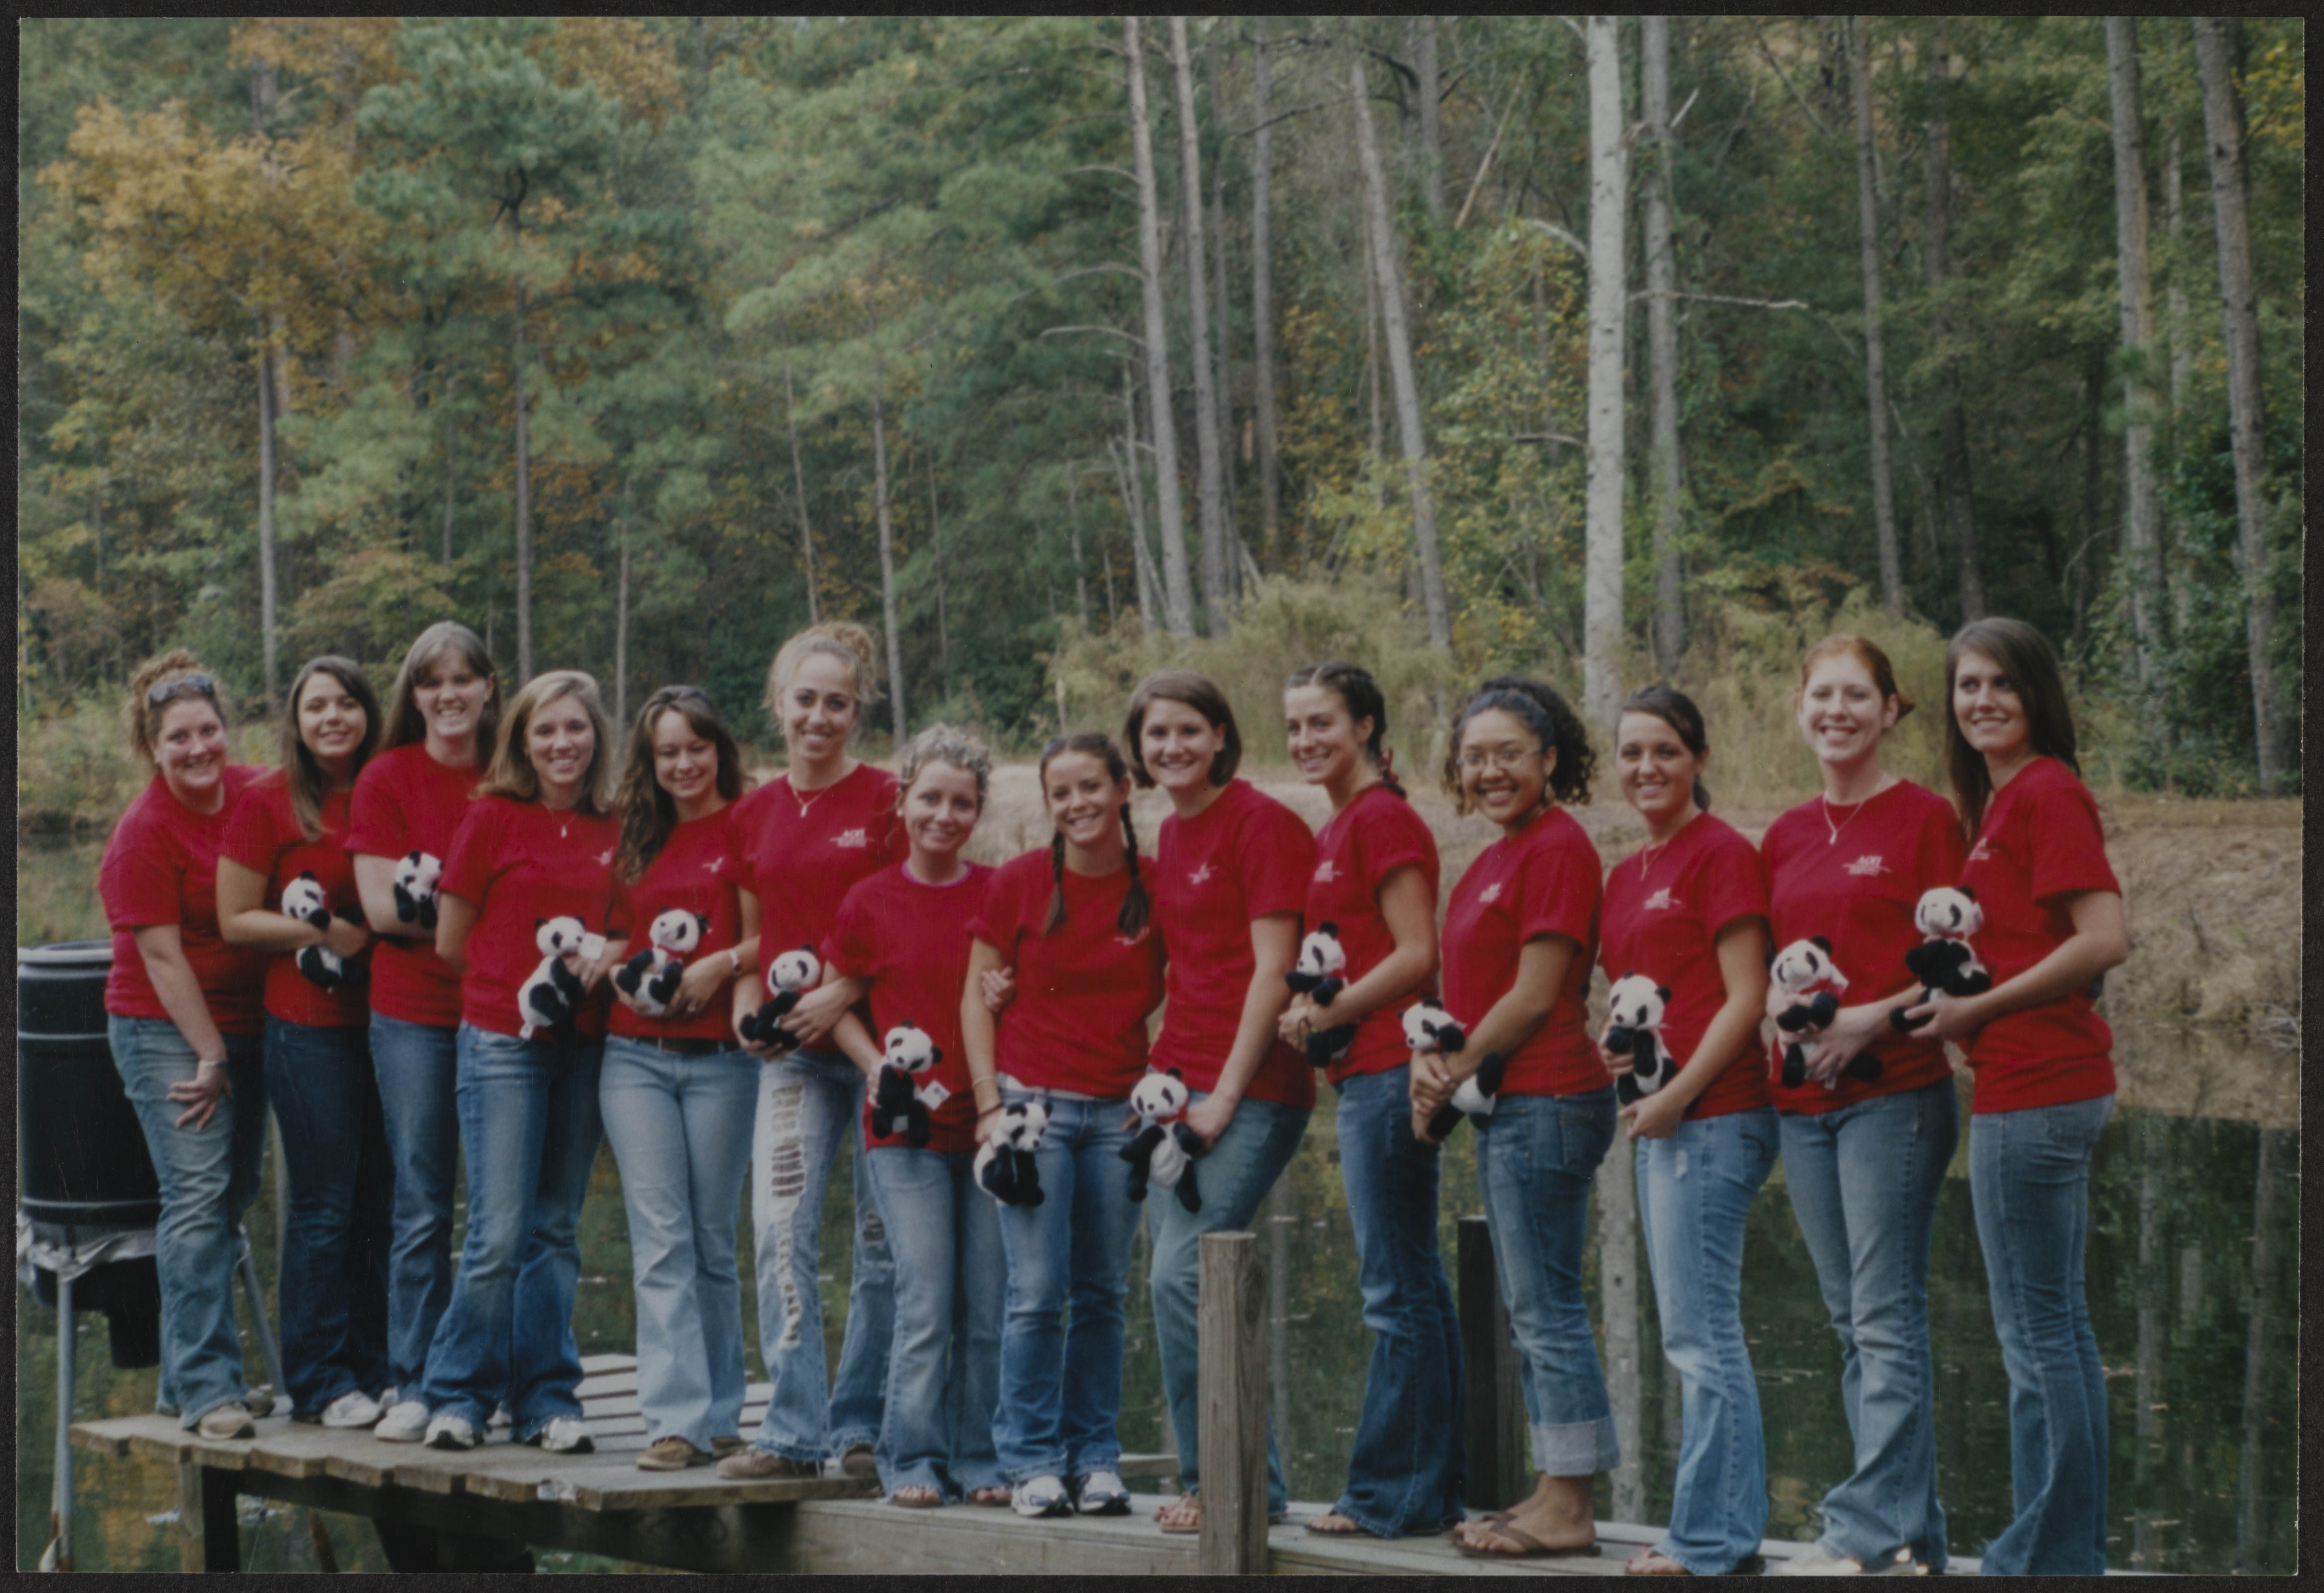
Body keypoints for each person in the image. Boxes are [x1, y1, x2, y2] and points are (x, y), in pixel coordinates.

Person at [1902, 618, 2128, 1577]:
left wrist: (1979, 1011)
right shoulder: (1997, 807)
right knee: (2052, 1331)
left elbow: (2104, 938)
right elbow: (2025, 945)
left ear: (2037, 694)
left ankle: (2045, 1557)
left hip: (2038, 1088)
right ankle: (2059, 1554)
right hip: (2029, 1081)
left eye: (2002, 683)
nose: (1983, 700)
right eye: (1967, 685)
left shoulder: (2046, 792)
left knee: (2039, 1338)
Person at [1760, 637, 1965, 1578]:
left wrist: (1857, 1026)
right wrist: (1786, 1024)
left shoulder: (1927, 821)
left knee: (1884, 1320)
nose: (1836, 711)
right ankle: (1910, 1535)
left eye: (1857, 696)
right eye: (1822, 695)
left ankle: (1865, 1535)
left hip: (1896, 1100)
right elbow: (1773, 969)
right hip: (1803, 1108)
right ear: (1801, 709)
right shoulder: (1787, 834)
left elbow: (1954, 972)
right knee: (1851, 1323)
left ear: (1891, 711)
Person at [1414, 679, 1618, 1561]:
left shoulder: (1559, 849)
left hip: (1550, 1097)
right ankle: (1550, 1489)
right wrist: (1438, 1059)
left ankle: (1569, 1503)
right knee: (1532, 1305)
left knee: (1547, 1310)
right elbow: (1472, 991)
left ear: (1549, 759)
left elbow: (1535, 998)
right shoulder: (1498, 853)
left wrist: (1450, 1071)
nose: (1490, 770)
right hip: (1509, 1102)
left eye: (1508, 753)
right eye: (1474, 757)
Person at [1120, 670, 1314, 1535]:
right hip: (1177, 1085)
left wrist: (1226, 1098)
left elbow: (1274, 970)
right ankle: (1243, 1484)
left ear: (1222, 735)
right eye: (1157, 735)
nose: (1172, 748)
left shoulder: (1262, 825)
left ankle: (1223, 1481)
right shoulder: (1168, 830)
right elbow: (1175, 967)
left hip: (1252, 1088)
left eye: (1188, 731)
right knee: (1177, 1285)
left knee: (1179, 1274)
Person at [418, 670, 627, 1453]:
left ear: (596, 737)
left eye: (575, 729)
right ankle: (459, 1394)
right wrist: (516, 980)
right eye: (545, 731)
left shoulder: (619, 823)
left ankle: (546, 1398)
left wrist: (608, 955)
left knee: (555, 1230)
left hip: (587, 1044)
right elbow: (449, 939)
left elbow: (633, 927)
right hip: (504, 1042)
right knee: (499, 1232)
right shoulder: (493, 819)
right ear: (522, 741)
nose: (561, 744)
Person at [961, 732, 1164, 1519]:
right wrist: (988, 1106)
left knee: (1103, 1292)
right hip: (1031, 1108)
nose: (1077, 804)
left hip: (1119, 1112)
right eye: (1061, 793)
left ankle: (1096, 1457)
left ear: (1122, 788)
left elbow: (1197, 978)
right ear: (1047, 804)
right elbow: (977, 998)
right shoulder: (1017, 884)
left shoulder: (1153, 887)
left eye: (1091, 786)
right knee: (1037, 1293)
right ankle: (1033, 1460)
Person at [1278, 662, 1460, 1541]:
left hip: (1391, 1071)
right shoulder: (1342, 824)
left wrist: (1328, 1012)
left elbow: (1419, 953)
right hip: (1366, 1070)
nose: (1308, 741)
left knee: (1395, 1290)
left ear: (1366, 729)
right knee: (1414, 1283)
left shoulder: (1379, 819)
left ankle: (1391, 1495)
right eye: (1296, 728)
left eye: (1324, 724)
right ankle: (1427, 1490)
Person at [1596, 685, 1774, 1578]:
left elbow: (1747, 996)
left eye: (1665, 750)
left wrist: (1679, 1097)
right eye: (1631, 753)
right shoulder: (1629, 873)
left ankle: (1716, 1538)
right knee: (1690, 1333)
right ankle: (1717, 1530)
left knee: (1703, 1336)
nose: (1647, 769)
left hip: (1719, 1115)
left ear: (1698, 758)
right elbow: (1643, 997)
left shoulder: (1722, 856)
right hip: (1664, 1115)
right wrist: (1622, 1057)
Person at [720, 622, 901, 1482]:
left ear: (856, 712)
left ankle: (860, 1429)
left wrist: (844, 992)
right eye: (805, 700)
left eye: (837, 703)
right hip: (795, 1056)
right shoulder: (751, 813)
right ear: (779, 705)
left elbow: (919, 921)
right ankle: (792, 1429)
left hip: (882, 1053)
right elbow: (755, 941)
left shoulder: (887, 802)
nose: (818, 717)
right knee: (780, 1227)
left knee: (879, 1237)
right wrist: (746, 1014)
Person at [820, 726, 1005, 1508]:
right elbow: (837, 1003)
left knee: (989, 1302)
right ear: (902, 802)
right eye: (929, 798)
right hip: (904, 1135)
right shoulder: (870, 898)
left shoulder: (1000, 892)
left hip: (990, 1129)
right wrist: (875, 1069)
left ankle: (980, 1457)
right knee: (924, 1295)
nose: (944, 814)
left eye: (961, 802)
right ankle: (911, 1456)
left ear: (978, 811)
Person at [99, 650, 274, 1439]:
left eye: (209, 730)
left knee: (236, 1196)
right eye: (179, 738)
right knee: (198, 1198)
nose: (199, 748)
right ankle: (210, 1391)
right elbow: (162, 960)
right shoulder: (142, 835)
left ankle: (181, 1380)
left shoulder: (256, 793)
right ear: (153, 746)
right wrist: (212, 1056)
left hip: (248, 1017)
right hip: (163, 1026)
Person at [216, 655, 392, 1430]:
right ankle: (319, 1380)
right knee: (324, 1204)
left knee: (383, 1200)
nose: (332, 718)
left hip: (393, 1024)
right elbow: (236, 918)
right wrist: (328, 931)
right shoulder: (266, 802)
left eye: (346, 704)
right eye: (317, 705)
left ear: (366, 713)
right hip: (308, 1026)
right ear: (296, 719)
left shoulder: (388, 787)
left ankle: (380, 1367)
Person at [346, 621, 498, 1442]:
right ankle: (413, 1379)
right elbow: (377, 910)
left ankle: (480, 1376)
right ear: (413, 694)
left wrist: (438, 910)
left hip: (505, 1015)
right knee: (422, 1203)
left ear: (486, 687)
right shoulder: (387, 777)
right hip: (412, 1015)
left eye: (463, 679)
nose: (448, 695)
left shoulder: (509, 774)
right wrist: (485, 916)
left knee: (504, 1216)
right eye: (431, 681)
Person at [599, 687, 756, 1471]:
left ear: (719, 750)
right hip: (633, 1060)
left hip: (724, 1065)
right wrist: (619, 973)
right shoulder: (637, 833)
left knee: (711, 1240)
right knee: (660, 1239)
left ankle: (723, 1412)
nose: (684, 764)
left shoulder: (751, 824)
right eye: (668, 752)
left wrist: (723, 964)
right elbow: (616, 932)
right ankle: (673, 1421)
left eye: (697, 748)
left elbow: (785, 931)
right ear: (650, 760)